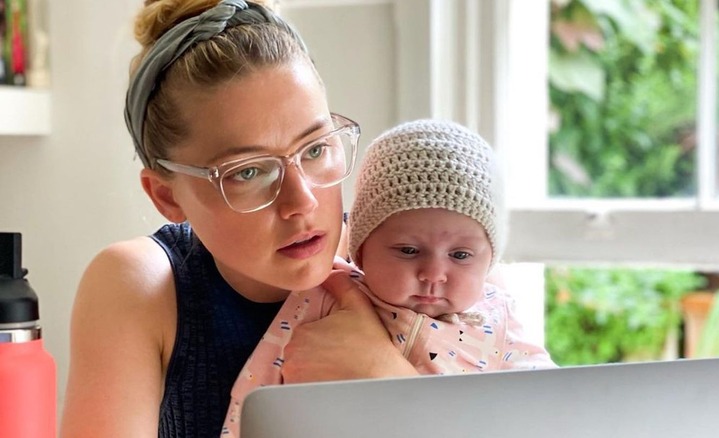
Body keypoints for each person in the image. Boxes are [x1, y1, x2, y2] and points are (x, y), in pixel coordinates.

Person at [59, 1, 418, 437]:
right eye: (248, 172)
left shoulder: (416, 257)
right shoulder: (141, 287)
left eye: (316, 149)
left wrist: (392, 380)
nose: (301, 200)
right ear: (167, 195)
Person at [222, 119, 557, 437]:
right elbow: (258, 386)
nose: (433, 274)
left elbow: (551, 405)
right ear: (363, 249)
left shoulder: (499, 317)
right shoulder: (326, 295)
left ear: (488, 261)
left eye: (460, 256)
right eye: (408, 251)